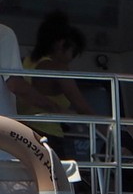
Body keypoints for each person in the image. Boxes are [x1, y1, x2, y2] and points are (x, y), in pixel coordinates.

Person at [19, 11, 94, 158]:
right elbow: (83, 107)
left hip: (20, 134)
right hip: (48, 136)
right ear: (61, 43)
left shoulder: (23, 63)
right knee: (58, 179)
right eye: (74, 52)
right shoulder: (57, 69)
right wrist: (114, 133)